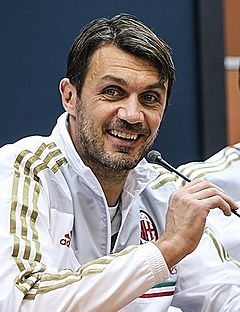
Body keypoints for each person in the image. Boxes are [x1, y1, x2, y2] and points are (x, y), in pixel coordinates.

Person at [0, 13, 239, 312]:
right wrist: (165, 249)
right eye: (113, 92)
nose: (132, 114)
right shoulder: (24, 169)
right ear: (70, 97)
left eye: (150, 97)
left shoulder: (163, 189)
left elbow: (225, 293)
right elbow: (22, 302)